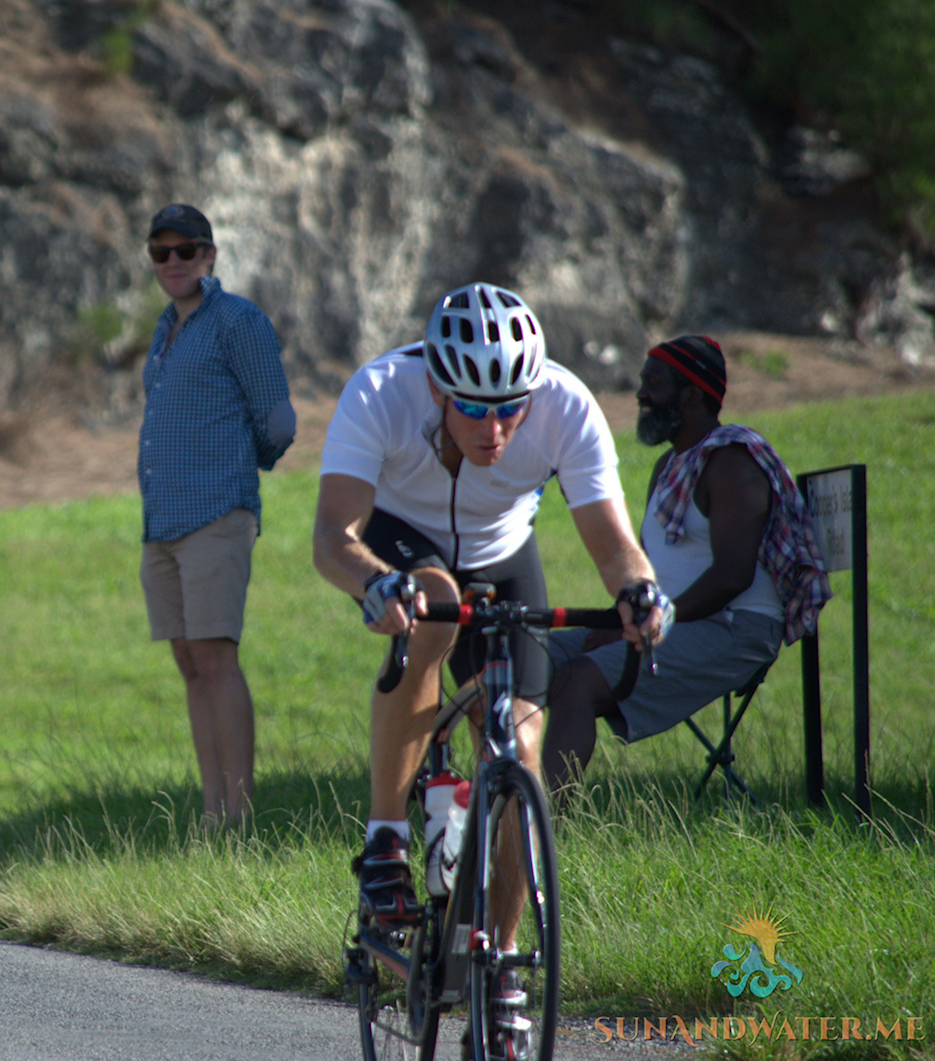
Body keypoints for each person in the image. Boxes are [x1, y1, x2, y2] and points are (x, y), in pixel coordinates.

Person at [311, 282, 670, 1017]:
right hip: (400, 542)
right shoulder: (381, 391)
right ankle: (386, 842)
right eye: (474, 407)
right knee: (433, 610)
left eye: (511, 407)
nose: (495, 427)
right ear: (438, 387)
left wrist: (640, 592)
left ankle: (498, 962)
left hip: (503, 551)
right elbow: (332, 536)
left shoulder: (566, 405)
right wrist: (378, 586)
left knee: (521, 753)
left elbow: (613, 543)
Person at [541, 335, 831, 792]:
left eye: (653, 384)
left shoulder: (732, 461)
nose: (640, 395)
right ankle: (488, 800)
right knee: (522, 659)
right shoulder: (668, 466)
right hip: (659, 624)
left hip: (734, 628)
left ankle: (541, 822)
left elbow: (732, 576)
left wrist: (636, 626)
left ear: (692, 393)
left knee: (577, 680)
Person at [138, 203, 296, 827]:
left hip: (216, 514)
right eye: (161, 252)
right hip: (163, 524)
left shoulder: (238, 321)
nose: (173, 262)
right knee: (188, 661)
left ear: (210, 256)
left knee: (214, 657)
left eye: (186, 250)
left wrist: (237, 465)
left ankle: (240, 816)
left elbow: (278, 423)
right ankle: (212, 814)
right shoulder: (164, 326)